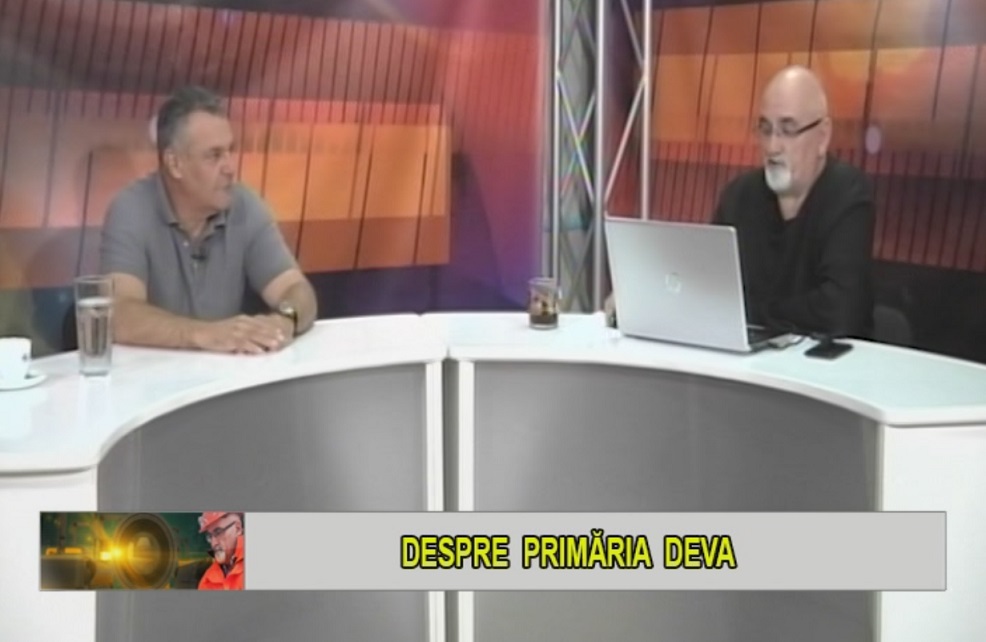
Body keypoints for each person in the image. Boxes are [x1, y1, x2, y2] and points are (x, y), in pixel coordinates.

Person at [605, 66, 875, 338]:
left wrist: (744, 312)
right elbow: (703, 283)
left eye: (787, 130)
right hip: (748, 354)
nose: (772, 146)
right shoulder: (740, 196)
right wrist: (643, 298)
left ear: (823, 137)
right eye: (765, 129)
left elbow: (839, 311)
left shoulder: (848, 194)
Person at [100, 86, 318, 354]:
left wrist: (284, 320)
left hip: (225, 374)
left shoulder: (245, 206)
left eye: (230, 151)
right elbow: (119, 314)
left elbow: (296, 289)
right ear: (175, 163)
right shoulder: (131, 210)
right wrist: (203, 334)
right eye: (214, 155)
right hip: (151, 375)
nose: (230, 168)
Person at [197, 511, 244, 591]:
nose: (213, 543)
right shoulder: (207, 581)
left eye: (218, 532)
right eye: (210, 536)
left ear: (237, 529)